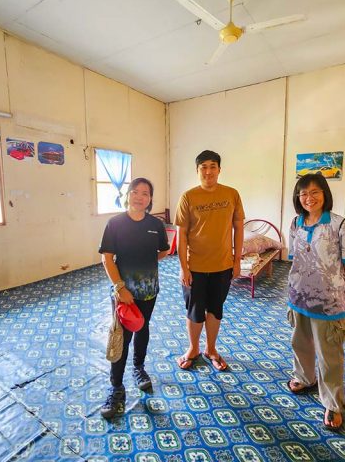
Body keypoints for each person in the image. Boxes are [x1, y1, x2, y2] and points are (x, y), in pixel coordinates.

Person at [284, 173, 345, 431]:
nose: (309, 198)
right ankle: (304, 378)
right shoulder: (296, 223)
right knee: (300, 342)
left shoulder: (340, 225)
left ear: (325, 194)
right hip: (298, 295)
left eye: (315, 192)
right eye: (303, 193)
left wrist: (328, 280)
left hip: (328, 302)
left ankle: (332, 402)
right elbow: (295, 257)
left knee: (330, 352)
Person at [98, 178, 172, 419]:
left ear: (150, 199)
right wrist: (121, 287)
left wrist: (145, 271)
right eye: (136, 192)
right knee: (122, 336)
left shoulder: (156, 224)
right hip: (123, 293)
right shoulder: (115, 223)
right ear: (128, 195)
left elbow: (163, 250)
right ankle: (116, 387)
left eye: (146, 193)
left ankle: (139, 368)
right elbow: (107, 258)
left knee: (143, 328)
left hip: (149, 290)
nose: (140, 197)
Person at [174, 150, 244, 372]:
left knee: (215, 309)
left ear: (219, 170)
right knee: (195, 311)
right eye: (203, 167)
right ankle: (193, 348)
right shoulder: (188, 197)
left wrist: (236, 261)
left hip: (222, 265)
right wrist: (183, 268)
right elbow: (181, 234)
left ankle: (211, 349)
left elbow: (239, 228)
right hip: (194, 267)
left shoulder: (231, 194)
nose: (208, 171)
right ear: (197, 171)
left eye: (213, 166)